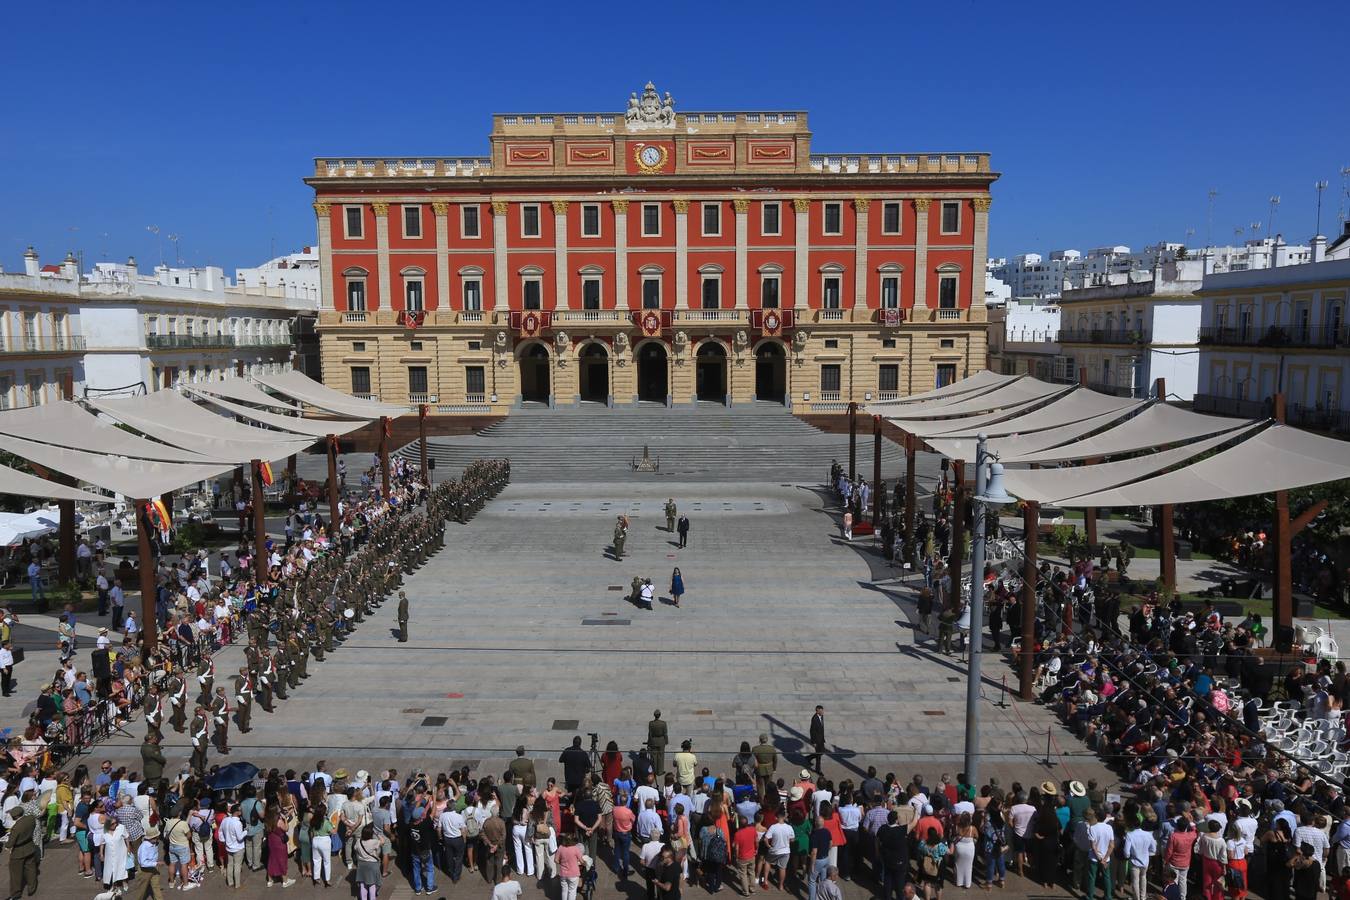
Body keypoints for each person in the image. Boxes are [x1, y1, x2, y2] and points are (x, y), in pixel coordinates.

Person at [7, 801, 40, 898]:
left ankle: (15, 894)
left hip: (18, 851)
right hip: (30, 846)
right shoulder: (31, 819)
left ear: (14, 817)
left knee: (15, 874)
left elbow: (9, 844)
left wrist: (7, 844)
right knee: (31, 869)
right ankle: (32, 888)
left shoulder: (16, 828)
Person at [354, 823, 384, 900]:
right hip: (372, 865)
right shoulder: (373, 842)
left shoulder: (358, 842)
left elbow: (355, 849)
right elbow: (382, 841)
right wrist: (377, 833)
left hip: (361, 865)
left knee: (363, 884)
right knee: (372, 884)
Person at [556, 832, 586, 900]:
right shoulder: (575, 848)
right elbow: (581, 861)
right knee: (572, 891)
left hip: (563, 874)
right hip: (573, 874)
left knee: (564, 890)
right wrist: (586, 864)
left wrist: (562, 863)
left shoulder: (561, 847)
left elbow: (556, 860)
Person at [648, 710, 669, 777]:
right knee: (661, 756)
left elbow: (650, 734)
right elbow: (665, 733)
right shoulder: (663, 723)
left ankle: (654, 770)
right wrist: (666, 741)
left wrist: (649, 742)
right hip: (661, 741)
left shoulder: (651, 723)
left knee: (654, 756)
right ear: (660, 715)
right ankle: (660, 771)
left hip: (653, 741)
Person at [808, 705, 826, 776]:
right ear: (817, 711)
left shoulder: (821, 716)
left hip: (821, 739)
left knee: (822, 751)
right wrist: (813, 742)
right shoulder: (814, 719)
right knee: (819, 756)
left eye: (822, 710)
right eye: (821, 711)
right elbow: (812, 731)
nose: (822, 712)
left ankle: (809, 757)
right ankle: (818, 770)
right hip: (817, 740)